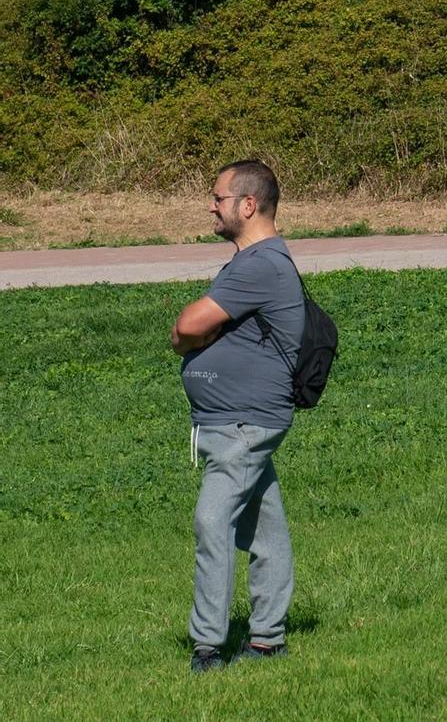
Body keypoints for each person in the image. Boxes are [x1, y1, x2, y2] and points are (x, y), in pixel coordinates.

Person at [171, 159, 304, 673]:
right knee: (265, 529)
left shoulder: (260, 264)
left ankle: (207, 646)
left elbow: (187, 325)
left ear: (247, 205)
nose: (212, 205)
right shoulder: (259, 261)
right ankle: (268, 639)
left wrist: (190, 340)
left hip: (244, 424)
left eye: (218, 197)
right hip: (238, 421)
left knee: (211, 522)